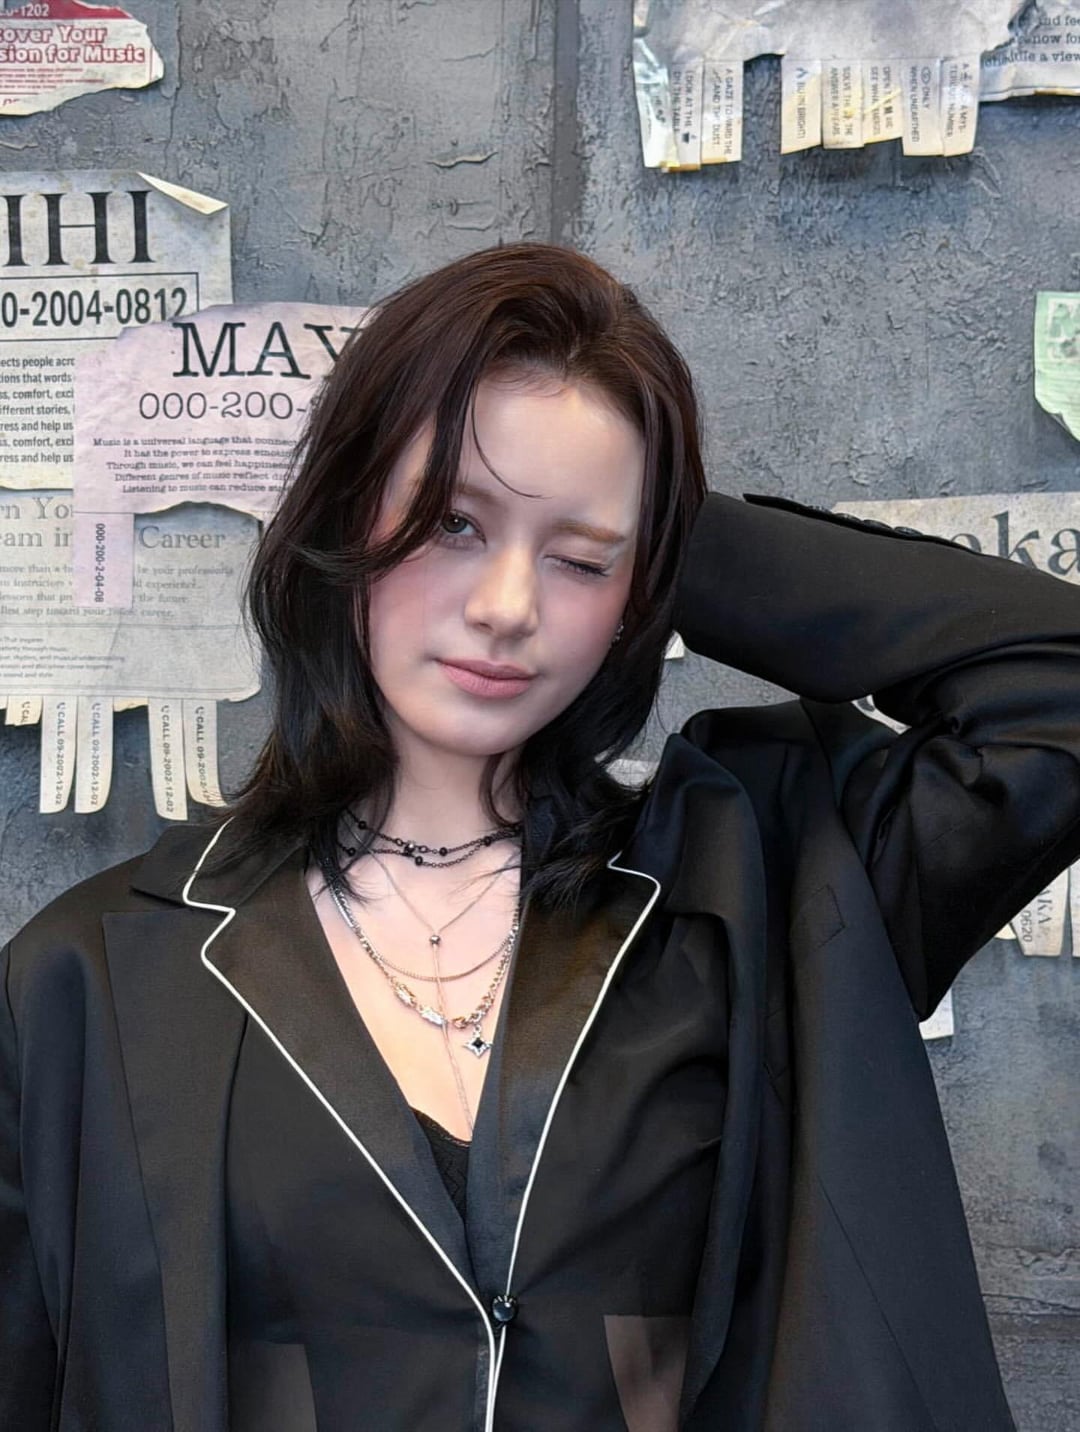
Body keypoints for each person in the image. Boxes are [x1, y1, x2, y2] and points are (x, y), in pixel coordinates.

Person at [1, 243, 1077, 1432]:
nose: (508, 607)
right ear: (346, 512)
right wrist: (577, 521)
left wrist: (664, 525)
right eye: (453, 523)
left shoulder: (753, 893)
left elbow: (1057, 688)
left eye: (576, 561)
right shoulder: (86, 980)